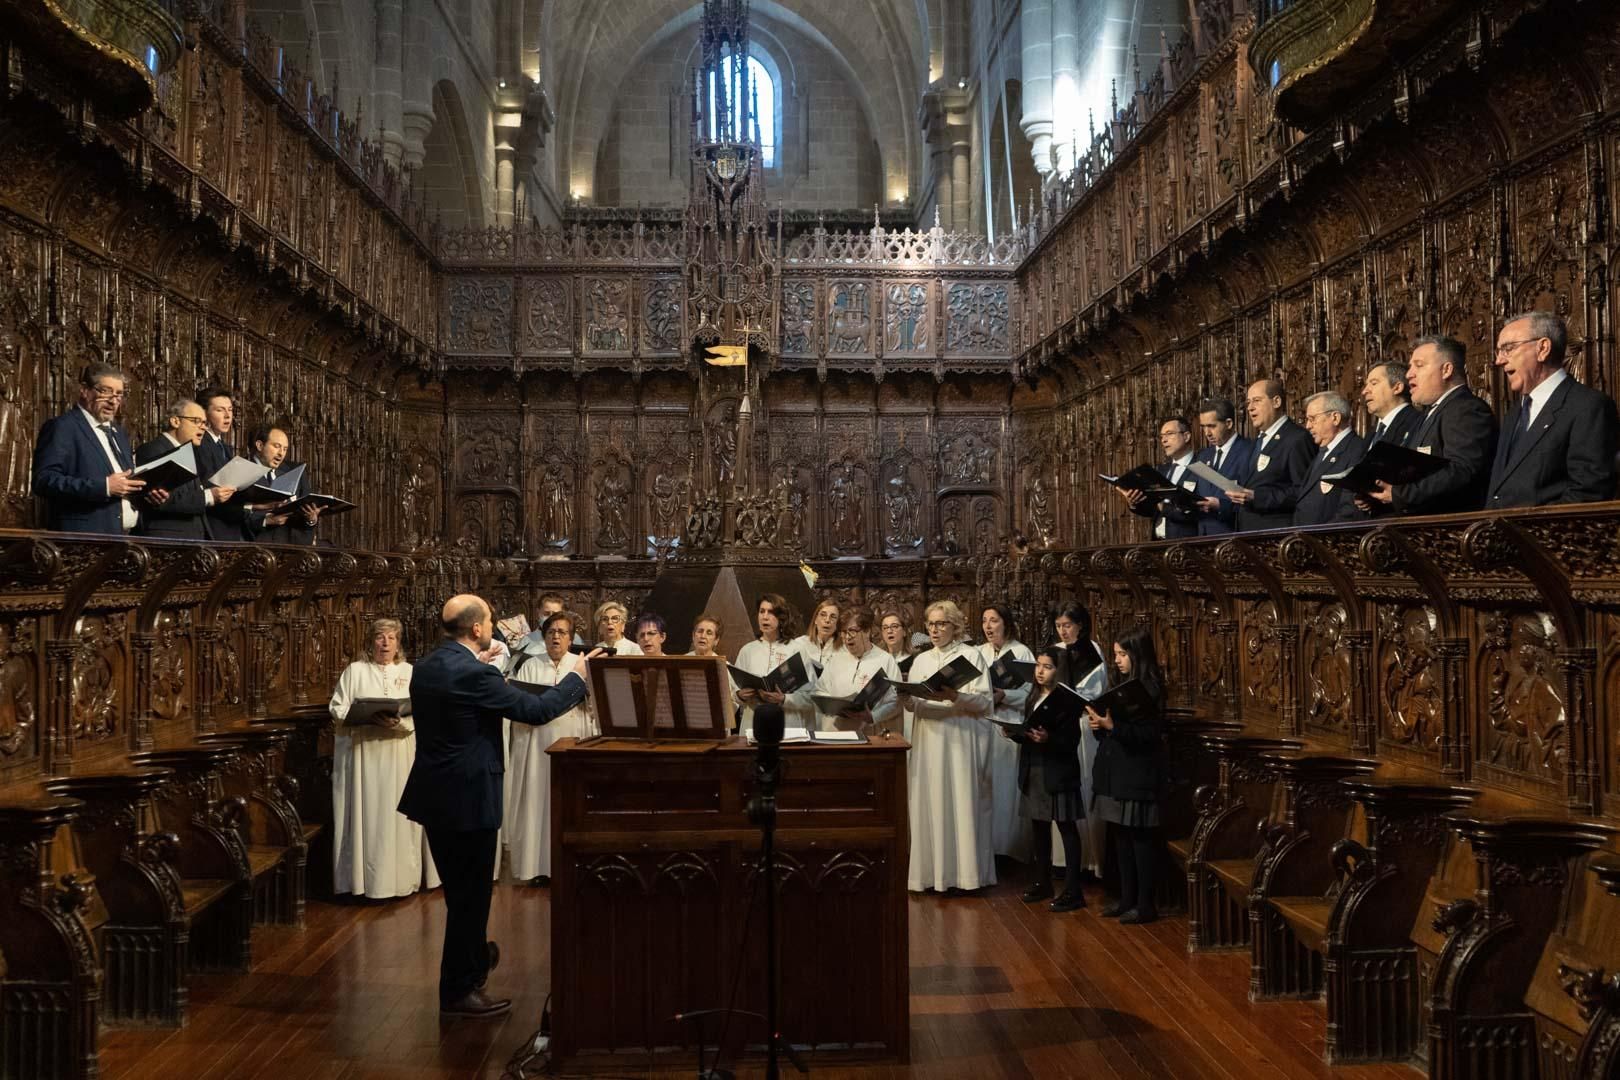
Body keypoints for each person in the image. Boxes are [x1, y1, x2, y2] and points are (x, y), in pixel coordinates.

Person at [397, 594, 596, 1019]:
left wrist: (486, 667)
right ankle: (459, 990)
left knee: (460, 893)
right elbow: (538, 709)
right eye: (489, 621)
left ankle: (472, 960)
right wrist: (577, 676)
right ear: (476, 630)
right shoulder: (474, 674)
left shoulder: (429, 665)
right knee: (470, 899)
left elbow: (462, 695)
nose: (494, 626)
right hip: (468, 799)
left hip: (434, 795)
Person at [329, 618, 428, 899]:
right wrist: (364, 717)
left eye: (391, 638)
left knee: (398, 815)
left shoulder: (409, 672)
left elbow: (422, 712)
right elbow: (338, 707)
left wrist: (399, 723)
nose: (385, 643)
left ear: (399, 644)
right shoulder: (355, 671)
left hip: (399, 752)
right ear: (370, 641)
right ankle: (362, 883)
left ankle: (400, 881)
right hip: (366, 754)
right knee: (367, 814)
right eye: (379, 637)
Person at [900, 600, 995, 893]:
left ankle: (965, 878)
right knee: (931, 803)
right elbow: (915, 703)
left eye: (941, 624)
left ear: (955, 626)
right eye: (931, 624)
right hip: (929, 740)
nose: (935, 629)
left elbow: (984, 702)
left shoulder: (971, 656)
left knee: (961, 802)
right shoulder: (921, 661)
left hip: (958, 741)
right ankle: (931, 877)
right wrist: (905, 697)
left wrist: (955, 696)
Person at [1487, 311, 1619, 507]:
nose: (1499, 361)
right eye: (1499, 351)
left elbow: (1589, 492)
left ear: (1543, 348)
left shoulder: (1588, 406)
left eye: (1508, 348)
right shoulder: (1515, 413)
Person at [504, 611, 594, 886]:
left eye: (562, 632)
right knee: (537, 800)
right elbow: (520, 705)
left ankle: (570, 866)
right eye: (551, 632)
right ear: (543, 637)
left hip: (570, 740)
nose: (556, 637)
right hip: (536, 745)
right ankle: (537, 868)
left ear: (571, 638)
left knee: (566, 801)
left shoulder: (580, 665)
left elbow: (593, 708)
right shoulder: (530, 665)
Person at [1087, 625, 1168, 925]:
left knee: (1139, 841)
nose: (1117, 660)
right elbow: (1114, 732)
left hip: (1138, 773)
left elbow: (1149, 735)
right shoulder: (1121, 685)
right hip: (1116, 772)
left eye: (1123, 654)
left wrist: (1113, 727)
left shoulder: (1149, 689)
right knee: (1120, 838)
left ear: (1138, 654)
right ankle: (1126, 898)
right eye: (1116, 654)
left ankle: (1145, 904)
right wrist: (1101, 728)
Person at [1362, 335, 1497, 516]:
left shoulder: (1465, 408)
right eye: (1410, 366)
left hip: (1450, 527)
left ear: (1446, 370)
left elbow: (1462, 470)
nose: (1409, 373)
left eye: (1419, 365)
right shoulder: (1429, 413)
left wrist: (1400, 494)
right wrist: (1377, 495)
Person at [1001, 646, 1086, 912]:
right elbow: (1030, 730)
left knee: (1066, 828)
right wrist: (1015, 732)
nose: (1039, 671)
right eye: (1038, 665)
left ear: (1058, 670)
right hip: (1034, 767)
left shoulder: (1067, 700)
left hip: (1057, 770)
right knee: (1038, 827)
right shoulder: (1033, 695)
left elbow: (1072, 740)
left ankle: (1073, 890)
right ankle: (1042, 881)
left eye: (1047, 666)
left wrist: (1049, 739)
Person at [31, 363, 146, 534]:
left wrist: (148, 490)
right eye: (105, 391)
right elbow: (43, 480)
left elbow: (126, 481)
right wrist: (105, 487)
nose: (113, 401)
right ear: (85, 390)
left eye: (119, 394)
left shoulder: (118, 432)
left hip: (124, 537)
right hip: (84, 536)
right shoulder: (63, 427)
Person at [1052, 603, 1108, 880]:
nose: (1063, 631)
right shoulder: (1055, 650)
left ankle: (1091, 860)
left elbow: (1095, 689)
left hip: (1083, 727)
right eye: (1059, 625)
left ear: (1080, 625)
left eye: (1068, 625)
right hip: (1059, 728)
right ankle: (1064, 860)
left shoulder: (1090, 649)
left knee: (1084, 787)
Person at [134, 399, 237, 540]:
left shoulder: (190, 452)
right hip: (166, 539)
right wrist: (209, 497)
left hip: (192, 538)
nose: (203, 428)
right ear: (175, 421)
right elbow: (160, 500)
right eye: (196, 421)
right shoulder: (152, 450)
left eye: (204, 423)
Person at [979, 605, 1034, 858]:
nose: (988, 626)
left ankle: (1009, 848)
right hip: (983, 725)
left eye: (994, 621)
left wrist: (1005, 695)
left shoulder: (1021, 652)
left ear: (1006, 623)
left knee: (1006, 787)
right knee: (986, 786)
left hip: (1009, 725)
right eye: (984, 621)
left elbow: (1032, 693)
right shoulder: (979, 652)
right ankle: (987, 846)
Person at [1224, 379, 1314, 531]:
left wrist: (1257, 497)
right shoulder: (1258, 441)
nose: (1250, 408)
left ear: (1276, 402)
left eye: (1257, 401)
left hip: (1277, 532)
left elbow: (1304, 490)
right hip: (1250, 530)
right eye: (1248, 403)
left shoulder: (1296, 438)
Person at [732, 593, 810, 735]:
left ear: (782, 618)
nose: (765, 617)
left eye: (771, 612)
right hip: (753, 725)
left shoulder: (797, 649)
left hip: (787, 725)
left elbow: (810, 696)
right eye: (762, 611)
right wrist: (740, 695)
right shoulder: (747, 650)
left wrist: (784, 698)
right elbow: (732, 693)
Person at [813, 610, 900, 733]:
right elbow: (820, 690)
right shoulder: (835, 659)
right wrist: (832, 706)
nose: (847, 637)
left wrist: (873, 716)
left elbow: (895, 700)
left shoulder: (885, 660)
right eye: (843, 632)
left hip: (867, 735)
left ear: (867, 631)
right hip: (833, 732)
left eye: (852, 631)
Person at [1119, 416, 1200, 539]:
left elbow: (1199, 510)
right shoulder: (1161, 470)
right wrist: (1134, 503)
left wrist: (1163, 507)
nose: (1164, 440)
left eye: (1169, 434)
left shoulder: (1201, 467)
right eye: (1162, 436)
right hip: (1158, 543)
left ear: (1186, 436)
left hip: (1186, 544)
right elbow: (1152, 510)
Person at [1292, 391, 1366, 527]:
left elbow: (1350, 509)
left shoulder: (1356, 450)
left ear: (1335, 418)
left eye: (1312, 419)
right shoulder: (1323, 450)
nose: (1308, 426)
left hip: (1327, 541)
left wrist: (1318, 539)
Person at [243, 425, 320, 545]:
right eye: (277, 446)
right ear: (260, 445)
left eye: (285, 449)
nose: (281, 454)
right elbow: (231, 514)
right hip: (255, 547)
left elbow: (305, 515)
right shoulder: (240, 469)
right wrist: (265, 521)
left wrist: (311, 520)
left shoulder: (294, 472)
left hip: (292, 547)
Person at [1191, 397, 1254, 535]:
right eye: (1203, 427)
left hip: (1233, 535)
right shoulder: (1203, 456)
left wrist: (1220, 505)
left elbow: (1254, 498)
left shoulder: (1249, 451)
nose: (1207, 433)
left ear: (1229, 423)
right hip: (1204, 536)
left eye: (1212, 426)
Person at [194, 387, 246, 540]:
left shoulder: (225, 447)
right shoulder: (201, 443)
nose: (227, 415)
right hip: (213, 524)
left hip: (229, 525)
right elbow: (208, 483)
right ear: (204, 413)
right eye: (220, 410)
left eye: (230, 410)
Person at [795, 598, 843, 674]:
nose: (827, 620)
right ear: (816, 620)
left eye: (833, 617)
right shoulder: (799, 644)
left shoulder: (844, 649)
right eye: (823, 615)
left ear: (838, 623)